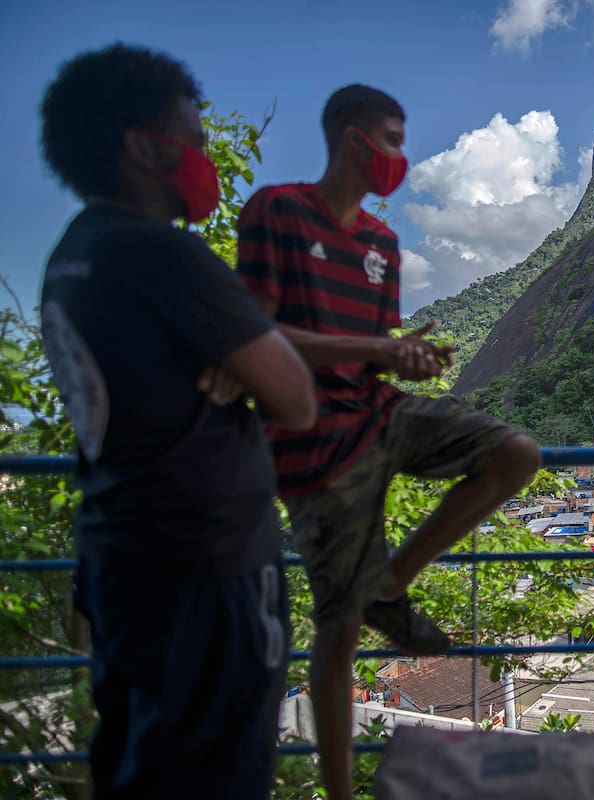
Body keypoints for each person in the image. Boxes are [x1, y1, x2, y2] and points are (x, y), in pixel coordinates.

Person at [236, 84, 542, 800]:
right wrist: (373, 345)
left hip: (382, 409)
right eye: (395, 141)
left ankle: (389, 588)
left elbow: (370, 351)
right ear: (354, 139)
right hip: (312, 437)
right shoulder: (278, 211)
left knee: (516, 454)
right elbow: (254, 334)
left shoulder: (381, 244)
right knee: (336, 637)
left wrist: (403, 355)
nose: (401, 159)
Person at [38, 44, 316, 798]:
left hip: (124, 562)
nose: (203, 158)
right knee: (217, 773)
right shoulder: (164, 256)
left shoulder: (71, 257)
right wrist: (250, 350)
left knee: (141, 765)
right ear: (141, 146)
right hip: (207, 572)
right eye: (193, 141)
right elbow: (294, 397)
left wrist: (239, 353)